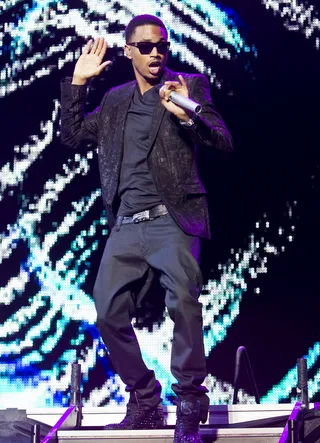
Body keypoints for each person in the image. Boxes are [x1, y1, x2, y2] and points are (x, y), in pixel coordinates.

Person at [60, 14, 232, 443]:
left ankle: (191, 399)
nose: (157, 53)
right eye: (147, 47)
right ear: (129, 52)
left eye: (162, 46)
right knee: (106, 311)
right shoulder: (117, 100)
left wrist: (187, 111)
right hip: (125, 224)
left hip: (171, 219)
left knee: (184, 306)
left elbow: (222, 139)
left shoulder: (188, 85)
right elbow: (74, 136)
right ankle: (145, 399)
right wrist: (77, 86)